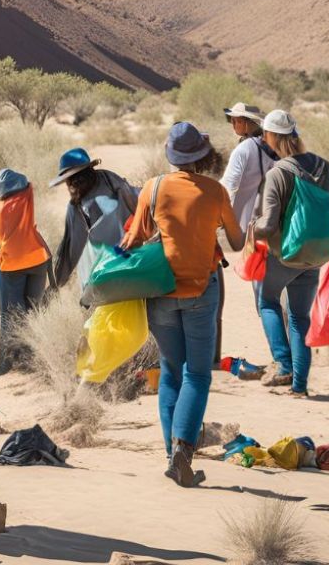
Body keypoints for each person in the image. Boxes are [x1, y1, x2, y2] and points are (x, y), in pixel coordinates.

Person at [121, 122, 244, 487]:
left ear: (170, 155)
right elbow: (236, 242)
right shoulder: (215, 190)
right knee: (198, 374)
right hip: (201, 292)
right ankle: (182, 453)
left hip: (160, 292)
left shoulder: (153, 188)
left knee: (171, 372)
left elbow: (134, 237)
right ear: (201, 156)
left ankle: (171, 455)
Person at [252, 110, 329, 397]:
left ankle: (283, 364)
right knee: (300, 317)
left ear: (271, 137)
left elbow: (267, 226)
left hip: (286, 255)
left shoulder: (277, 173)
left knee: (267, 301)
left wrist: (249, 230)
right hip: (318, 253)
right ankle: (299, 386)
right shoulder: (324, 166)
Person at [217, 102, 276, 371]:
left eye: (236, 120)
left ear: (248, 123)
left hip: (254, 230)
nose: (233, 124)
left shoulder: (244, 149)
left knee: (263, 297)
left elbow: (226, 188)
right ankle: (291, 355)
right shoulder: (275, 147)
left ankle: (282, 360)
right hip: (281, 226)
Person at [0, 168, 52, 377]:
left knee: (9, 315)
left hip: (11, 265)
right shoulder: (27, 197)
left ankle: (5, 366)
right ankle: (31, 360)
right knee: (33, 311)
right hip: (38, 259)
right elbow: (30, 184)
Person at [51, 147, 137, 291]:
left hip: (106, 271)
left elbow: (72, 247)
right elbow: (136, 201)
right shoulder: (109, 178)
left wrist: (57, 281)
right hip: (133, 257)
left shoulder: (76, 206)